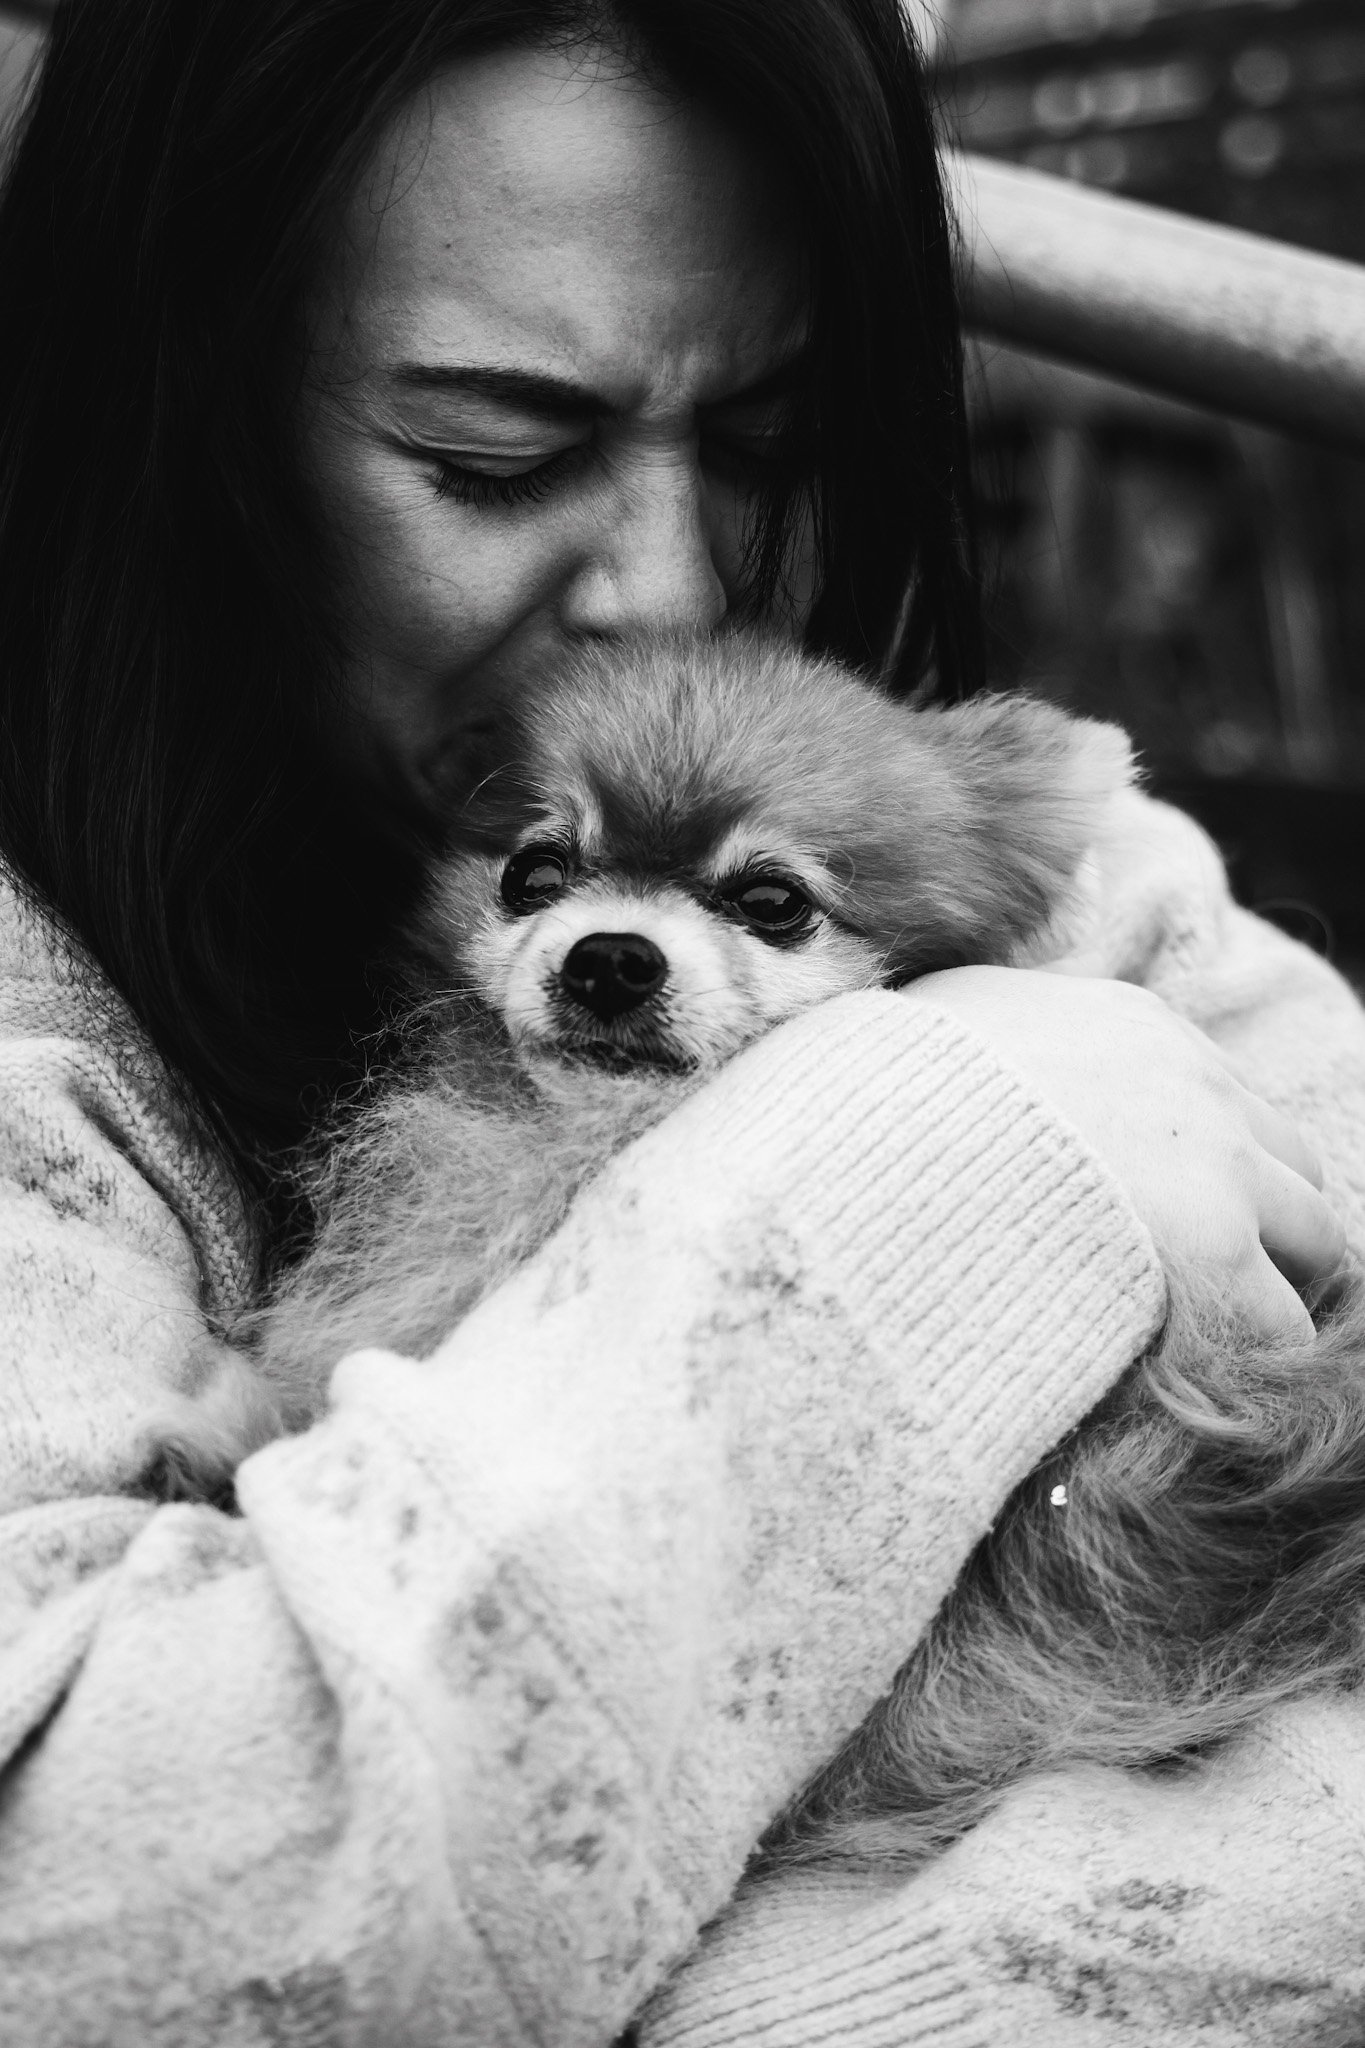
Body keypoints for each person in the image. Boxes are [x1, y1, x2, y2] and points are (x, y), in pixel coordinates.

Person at [0, 3, 1359, 2044]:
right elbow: (92, 1901)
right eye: (497, 456)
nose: (674, 587)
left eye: (769, 443)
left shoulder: (1058, 882)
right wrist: (932, 1157)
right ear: (172, 423)